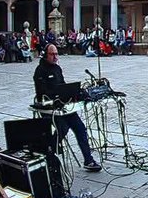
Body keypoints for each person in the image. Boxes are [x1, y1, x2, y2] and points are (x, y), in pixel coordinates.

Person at [32, 44, 102, 172]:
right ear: (45, 55)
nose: (55, 57)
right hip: (49, 107)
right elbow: (42, 92)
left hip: (63, 105)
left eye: (56, 54)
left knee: (80, 128)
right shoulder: (40, 70)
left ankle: (88, 160)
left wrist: (74, 93)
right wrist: (56, 95)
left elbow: (62, 85)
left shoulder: (57, 69)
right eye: (52, 54)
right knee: (63, 127)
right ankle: (49, 151)